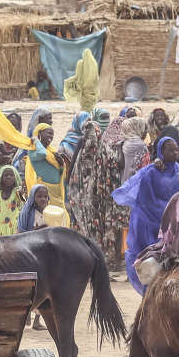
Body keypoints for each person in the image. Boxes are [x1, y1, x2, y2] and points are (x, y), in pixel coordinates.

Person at [114, 137, 179, 292]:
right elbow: (146, 201)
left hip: (171, 223)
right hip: (148, 221)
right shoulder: (151, 172)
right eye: (170, 150)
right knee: (149, 262)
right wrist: (167, 213)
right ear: (161, 151)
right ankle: (149, 293)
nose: (175, 152)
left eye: (176, 149)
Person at [66, 113, 123, 265]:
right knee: (84, 227)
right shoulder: (82, 146)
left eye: (92, 134)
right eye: (87, 134)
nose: (89, 138)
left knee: (99, 230)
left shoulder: (103, 151)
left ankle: (101, 260)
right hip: (81, 199)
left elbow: (112, 175)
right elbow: (72, 172)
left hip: (100, 201)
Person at [0, 165, 23, 236]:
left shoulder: (18, 193)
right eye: (6, 175)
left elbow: (24, 206)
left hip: (15, 229)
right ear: (1, 178)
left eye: (11, 175)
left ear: (15, 177)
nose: (9, 177)